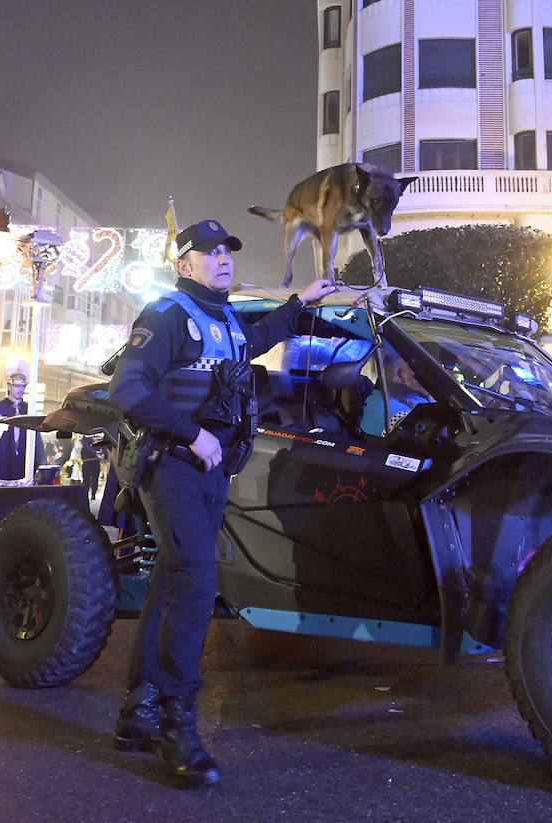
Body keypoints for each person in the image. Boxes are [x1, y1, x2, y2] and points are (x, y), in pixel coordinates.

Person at [107, 218, 337, 787]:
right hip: (177, 466)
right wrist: (191, 434)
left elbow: (257, 341)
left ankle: (139, 706)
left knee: (171, 577)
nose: (223, 259)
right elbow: (128, 388)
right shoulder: (166, 315)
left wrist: (299, 301)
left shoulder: (228, 320)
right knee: (195, 580)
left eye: (227, 251)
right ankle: (176, 725)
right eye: (208, 253)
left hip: (212, 470)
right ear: (183, 265)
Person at [361, 350, 431, 436]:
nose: (396, 377)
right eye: (399, 372)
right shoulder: (381, 406)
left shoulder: (413, 395)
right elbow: (401, 422)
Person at [0, 373, 31, 480]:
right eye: (17, 386)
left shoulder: (28, 409)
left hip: (22, 460)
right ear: (9, 386)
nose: (20, 389)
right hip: (1, 457)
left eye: (23, 386)